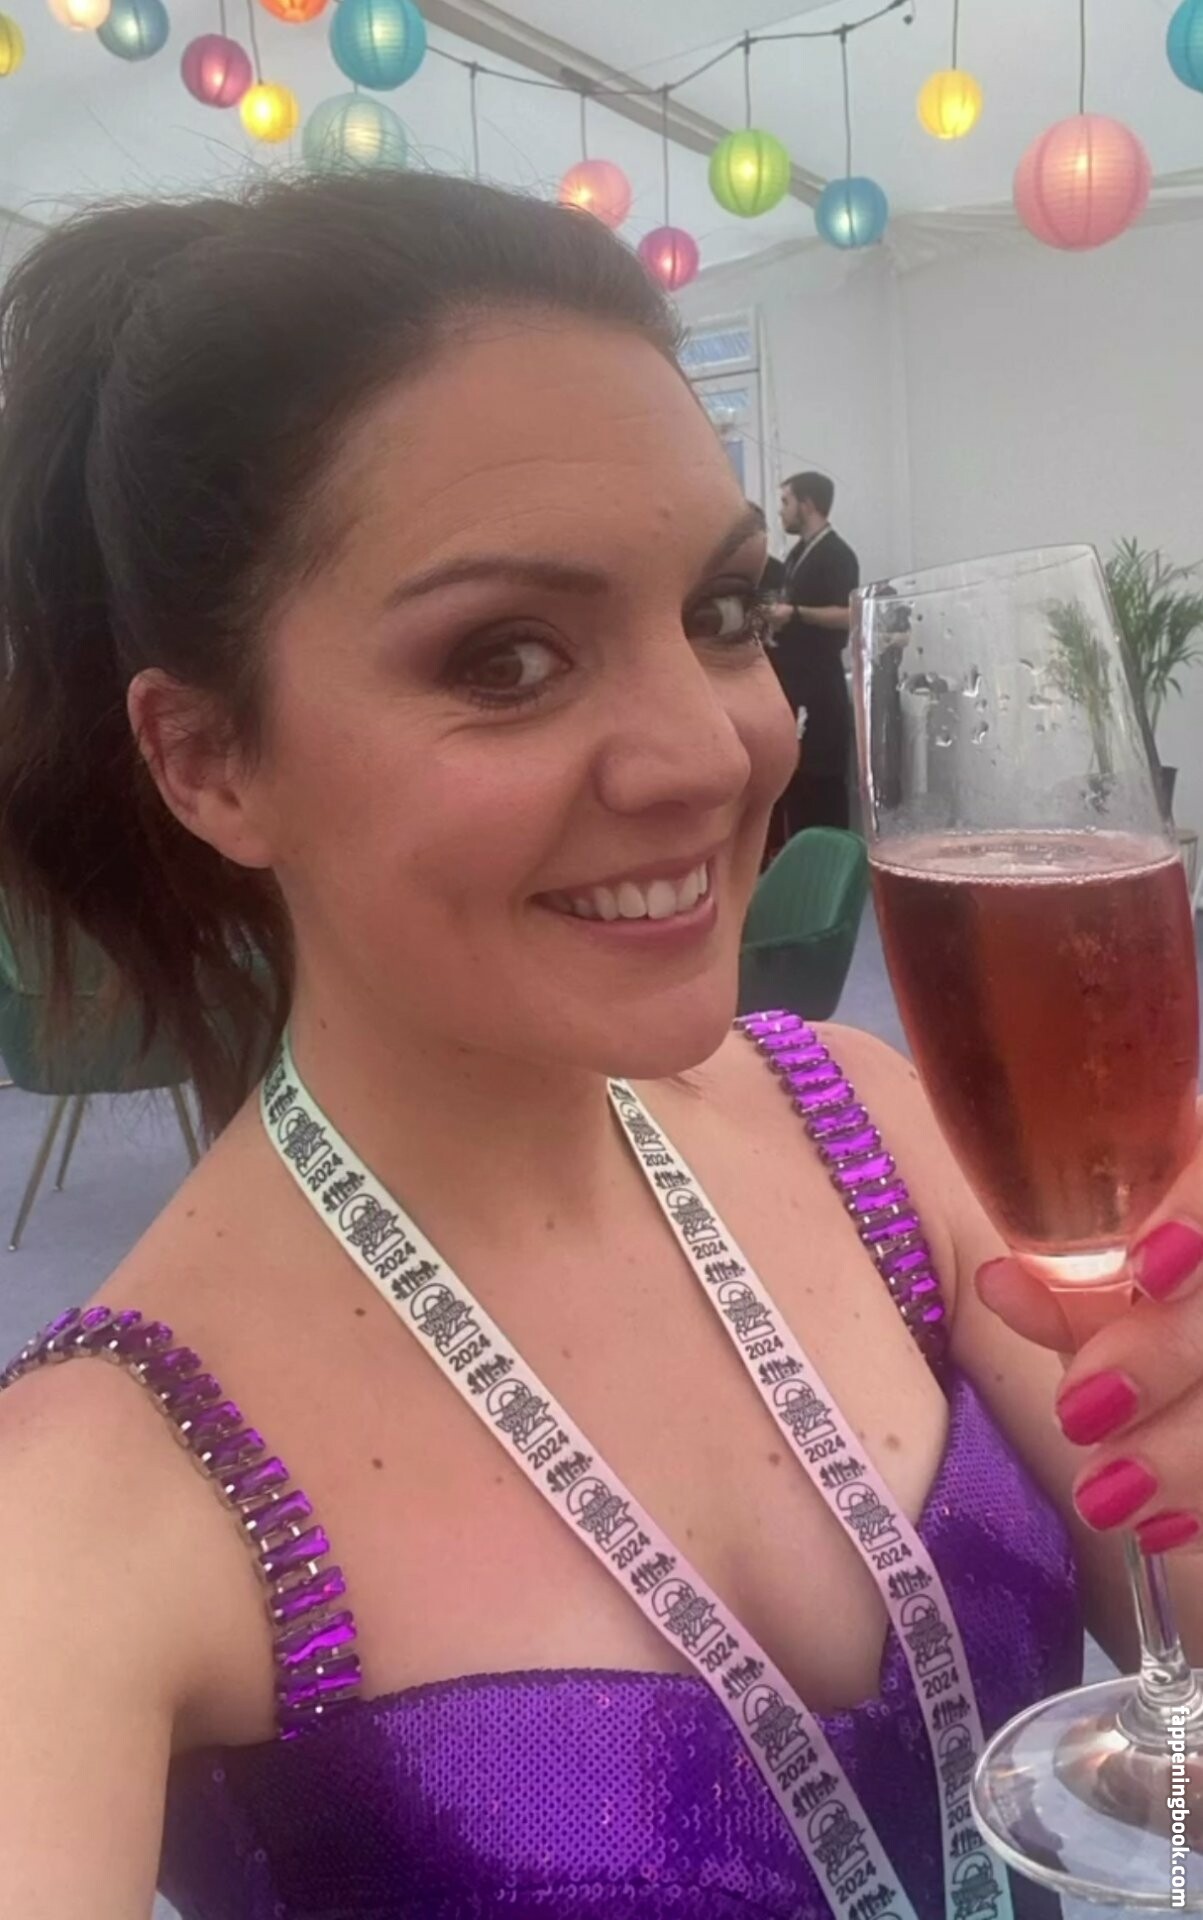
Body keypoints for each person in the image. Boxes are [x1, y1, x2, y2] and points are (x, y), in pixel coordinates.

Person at [0, 172, 1201, 1920]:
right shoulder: (92, 1500)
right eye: (505, 659)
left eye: (719, 615)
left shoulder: (868, 1125)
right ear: (208, 763)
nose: (708, 754)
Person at [768, 470, 859, 834]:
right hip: (795, 684)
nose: (781, 511)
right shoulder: (796, 556)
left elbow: (848, 615)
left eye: (786, 502)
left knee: (822, 787)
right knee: (798, 786)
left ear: (806, 505)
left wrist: (795, 613)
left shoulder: (837, 555)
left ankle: (829, 863)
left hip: (820, 689)